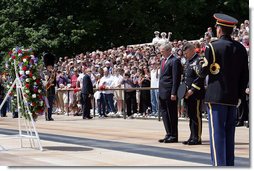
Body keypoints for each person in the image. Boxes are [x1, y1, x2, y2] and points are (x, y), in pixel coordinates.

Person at [197, 13, 249, 166]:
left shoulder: (212, 47)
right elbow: (244, 75)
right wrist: (239, 96)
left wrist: (198, 66)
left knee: (217, 134)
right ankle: (228, 164)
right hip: (233, 98)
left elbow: (203, 71)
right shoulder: (240, 48)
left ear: (219, 29)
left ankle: (219, 165)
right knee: (229, 134)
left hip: (216, 97)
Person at [181, 42, 205, 145]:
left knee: (196, 116)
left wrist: (192, 90)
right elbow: (186, 77)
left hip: (195, 93)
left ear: (192, 51)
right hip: (187, 93)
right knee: (191, 116)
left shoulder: (198, 61)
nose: (185, 55)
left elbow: (200, 77)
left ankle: (197, 138)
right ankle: (192, 136)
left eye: (186, 53)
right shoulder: (188, 61)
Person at [158, 43, 182, 143]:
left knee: (171, 114)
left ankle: (174, 135)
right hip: (162, 91)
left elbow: (176, 78)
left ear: (168, 50)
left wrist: (174, 92)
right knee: (164, 113)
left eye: (162, 51)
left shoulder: (175, 60)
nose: (161, 53)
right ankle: (168, 133)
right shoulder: (163, 60)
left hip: (169, 92)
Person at [43, 53, 56, 121]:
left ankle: (49, 116)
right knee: (46, 104)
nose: (51, 67)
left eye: (51, 66)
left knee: (50, 104)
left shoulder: (53, 73)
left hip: (52, 90)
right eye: (50, 66)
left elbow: (54, 82)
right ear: (47, 67)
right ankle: (46, 116)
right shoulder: (45, 73)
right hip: (46, 90)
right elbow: (46, 81)